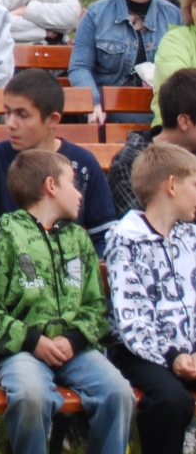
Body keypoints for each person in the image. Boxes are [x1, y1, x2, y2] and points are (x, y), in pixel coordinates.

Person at [0, 146, 134, 454]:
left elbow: (95, 306)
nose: (80, 193)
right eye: (73, 184)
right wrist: (33, 341)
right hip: (18, 352)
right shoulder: (1, 235)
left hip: (74, 351)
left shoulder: (78, 239)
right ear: (51, 186)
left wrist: (73, 340)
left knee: (117, 391)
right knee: (32, 395)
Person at [0, 69, 120, 256]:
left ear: (52, 120)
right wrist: (21, 263)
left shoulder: (83, 163)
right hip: (7, 269)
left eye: (22, 115)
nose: (10, 123)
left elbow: (104, 236)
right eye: (8, 112)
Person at [102, 142, 196, 454]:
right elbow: (132, 314)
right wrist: (173, 356)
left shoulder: (191, 237)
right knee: (171, 400)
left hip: (191, 351)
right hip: (140, 352)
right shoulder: (125, 241)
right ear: (172, 185)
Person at [69, 0, 178, 126]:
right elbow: (80, 66)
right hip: (109, 107)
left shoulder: (173, 15)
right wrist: (94, 103)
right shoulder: (97, 14)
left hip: (160, 106)